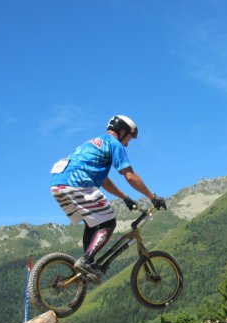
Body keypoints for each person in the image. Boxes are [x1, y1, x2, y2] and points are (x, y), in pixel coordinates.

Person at [50, 114, 167, 284]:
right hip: (77, 182)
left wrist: (125, 198)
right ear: (122, 132)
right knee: (109, 222)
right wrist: (153, 197)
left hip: (58, 184)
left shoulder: (92, 143)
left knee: (93, 223)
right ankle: (86, 260)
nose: (127, 144)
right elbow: (130, 176)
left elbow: (105, 181)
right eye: (128, 139)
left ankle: (85, 263)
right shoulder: (114, 144)